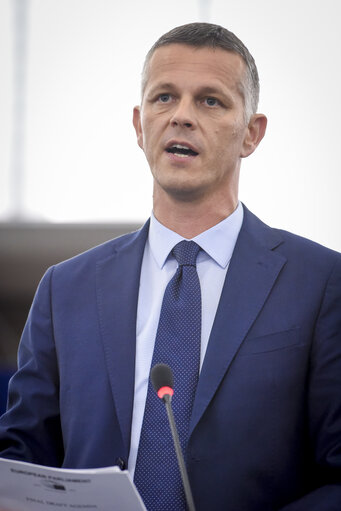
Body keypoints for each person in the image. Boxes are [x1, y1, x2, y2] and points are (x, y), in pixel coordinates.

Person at [0, 22, 340, 511]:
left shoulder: (323, 283)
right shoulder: (65, 290)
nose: (181, 116)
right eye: (164, 97)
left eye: (210, 101)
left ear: (251, 133)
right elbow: (22, 458)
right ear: (140, 126)